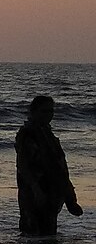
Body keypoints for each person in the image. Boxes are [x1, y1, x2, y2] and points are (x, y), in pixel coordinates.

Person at [16, 95, 82, 236]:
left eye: (51, 111)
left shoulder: (47, 134)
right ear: (33, 112)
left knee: (48, 237)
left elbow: (59, 167)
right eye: (44, 111)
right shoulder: (28, 134)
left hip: (51, 191)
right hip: (35, 191)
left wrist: (70, 197)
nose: (48, 115)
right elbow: (23, 165)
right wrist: (36, 189)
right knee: (33, 234)